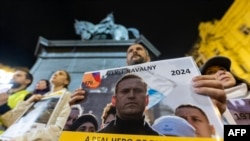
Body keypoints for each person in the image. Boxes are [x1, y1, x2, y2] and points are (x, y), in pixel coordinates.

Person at [126, 43, 226, 115]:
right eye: (130, 51)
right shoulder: (120, 82)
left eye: (139, 49)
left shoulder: (171, 68)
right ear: (127, 61)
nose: (134, 51)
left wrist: (211, 109)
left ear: (148, 56)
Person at [0, 69, 72, 140]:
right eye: (55, 73)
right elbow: (15, 120)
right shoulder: (39, 97)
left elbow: (61, 125)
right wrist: (28, 102)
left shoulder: (68, 96)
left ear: (66, 81)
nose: (55, 74)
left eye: (60, 74)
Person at [0, 67, 33, 134]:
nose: (14, 77)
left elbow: (19, 121)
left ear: (27, 81)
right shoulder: (3, 92)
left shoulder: (28, 97)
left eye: (18, 75)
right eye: (13, 75)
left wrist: (3, 105)